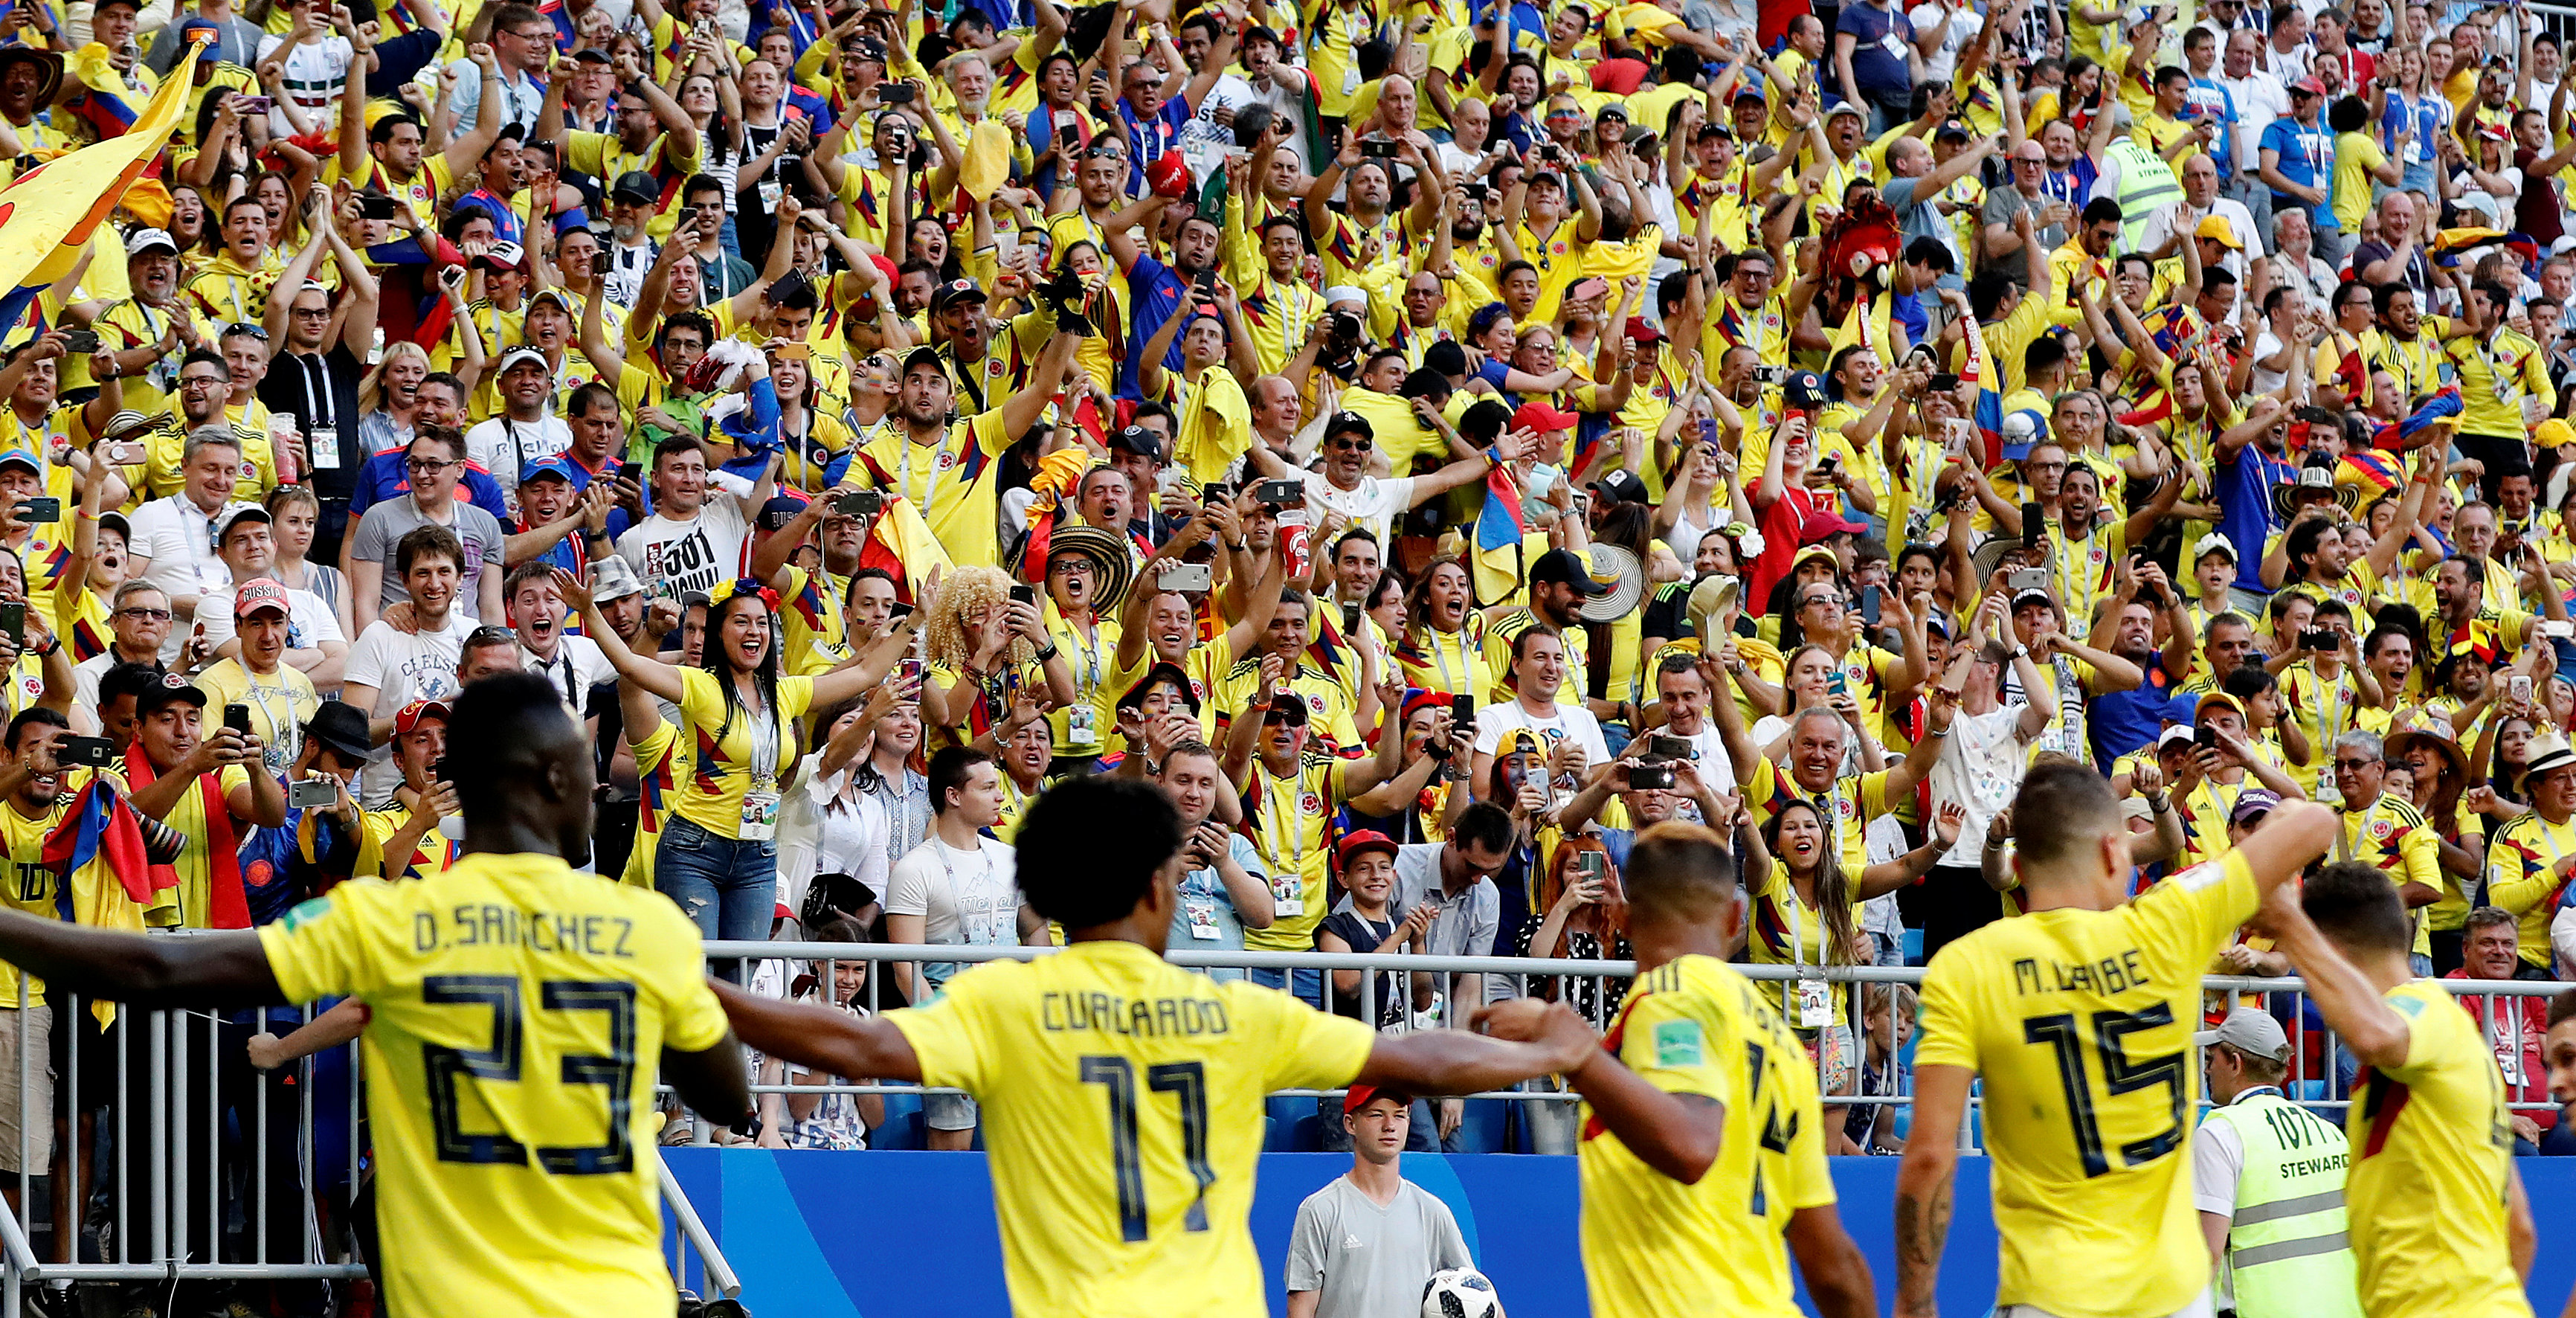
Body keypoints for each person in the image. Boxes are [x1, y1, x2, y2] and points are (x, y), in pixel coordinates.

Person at [0, 673, 753, 1318]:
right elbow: (727, 1095)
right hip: (620, 1297)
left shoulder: (390, 921)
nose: (595, 789)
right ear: (554, 780)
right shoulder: (645, 927)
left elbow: (157, 971)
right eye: (583, 767)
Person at [710, 774, 1597, 1316]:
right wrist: (1553, 1050)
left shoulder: (1008, 1002)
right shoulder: (1232, 1013)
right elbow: (1419, 1060)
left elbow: (854, 1044)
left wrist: (703, 986)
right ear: (1151, 887)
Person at [1892, 765, 2337, 1318]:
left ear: (2023, 864)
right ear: (2111, 851)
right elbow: (2313, 819)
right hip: (2173, 1295)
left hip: (2052, 1294)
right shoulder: (2171, 920)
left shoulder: (1969, 963)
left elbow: (1930, 1158)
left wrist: (1915, 1301)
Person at [1474, 822, 1878, 1318]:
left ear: (1620, 917)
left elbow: (1690, 1146)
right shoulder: (1782, 1048)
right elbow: (1833, 1266)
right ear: (1735, 918)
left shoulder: (1671, 997)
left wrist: (1578, 1051)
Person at [2249, 861, 2538, 1318]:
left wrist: (2289, 925)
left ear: (2333, 953)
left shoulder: (2421, 1009)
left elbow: (2374, 1034)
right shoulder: (2446, 1047)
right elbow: (2519, 1228)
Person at [2190, 1006, 2364, 1318]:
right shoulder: (2329, 1133)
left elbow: (2207, 1252)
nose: (2206, 1071)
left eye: (2211, 1059)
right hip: (2342, 1306)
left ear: (2235, 1063)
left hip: (2260, 1306)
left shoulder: (2221, 1132)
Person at [1283, 1084, 1472, 1318]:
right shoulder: (1320, 1210)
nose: (1389, 1126)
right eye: (1376, 1115)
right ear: (1350, 1124)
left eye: (1399, 1115)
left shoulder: (1433, 1211)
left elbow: (1474, 1293)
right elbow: (1301, 1308)